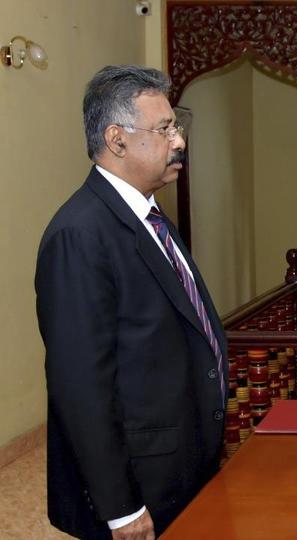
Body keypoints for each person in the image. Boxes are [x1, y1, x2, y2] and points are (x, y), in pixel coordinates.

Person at [36, 65, 226, 539]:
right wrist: (119, 507)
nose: (179, 141)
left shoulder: (148, 217)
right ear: (117, 139)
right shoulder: (80, 234)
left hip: (182, 466)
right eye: (164, 129)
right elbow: (81, 386)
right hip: (137, 486)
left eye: (176, 127)